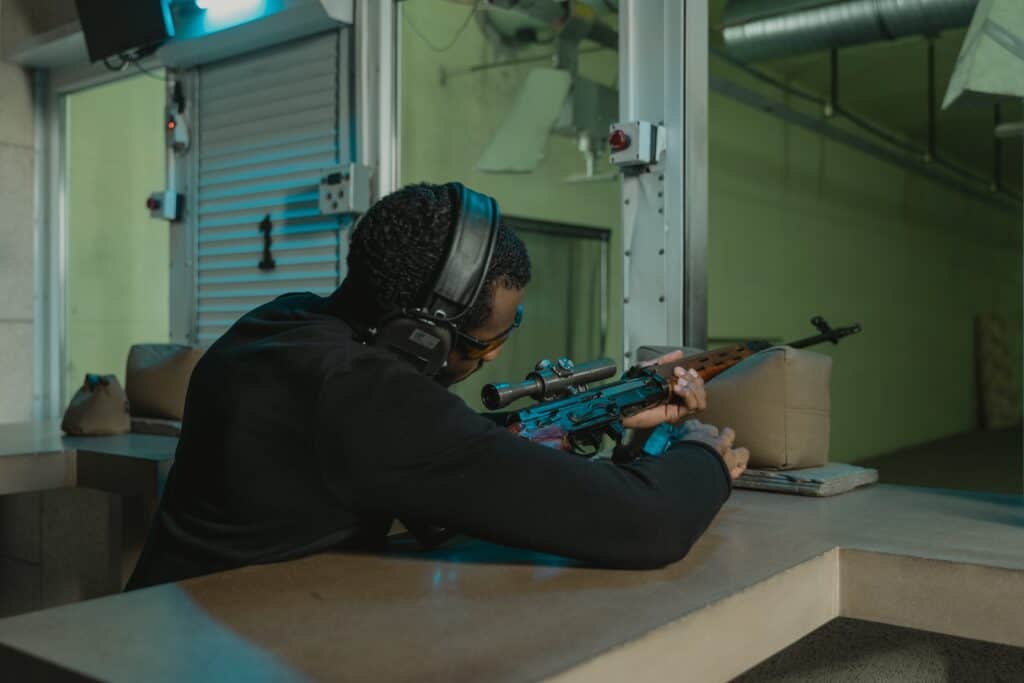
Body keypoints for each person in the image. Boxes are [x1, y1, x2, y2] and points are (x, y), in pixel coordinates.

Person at [126, 183, 748, 589]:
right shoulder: (359, 393)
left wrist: (609, 431)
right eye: (486, 343)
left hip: (167, 621)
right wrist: (699, 453)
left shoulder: (280, 322)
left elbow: (433, 465)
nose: (496, 354)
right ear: (418, 336)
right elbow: (646, 525)